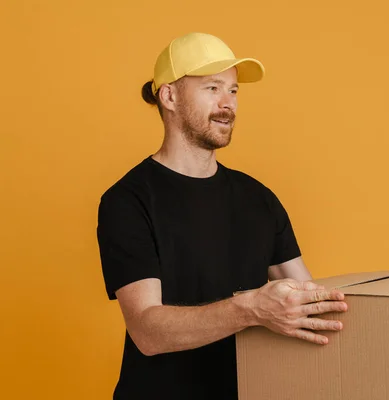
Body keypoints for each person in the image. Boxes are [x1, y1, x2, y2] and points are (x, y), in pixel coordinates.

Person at [96, 32, 348, 399]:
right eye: (212, 88)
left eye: (233, 90)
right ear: (169, 96)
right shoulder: (127, 201)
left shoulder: (259, 199)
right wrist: (250, 309)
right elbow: (147, 332)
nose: (227, 104)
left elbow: (314, 310)